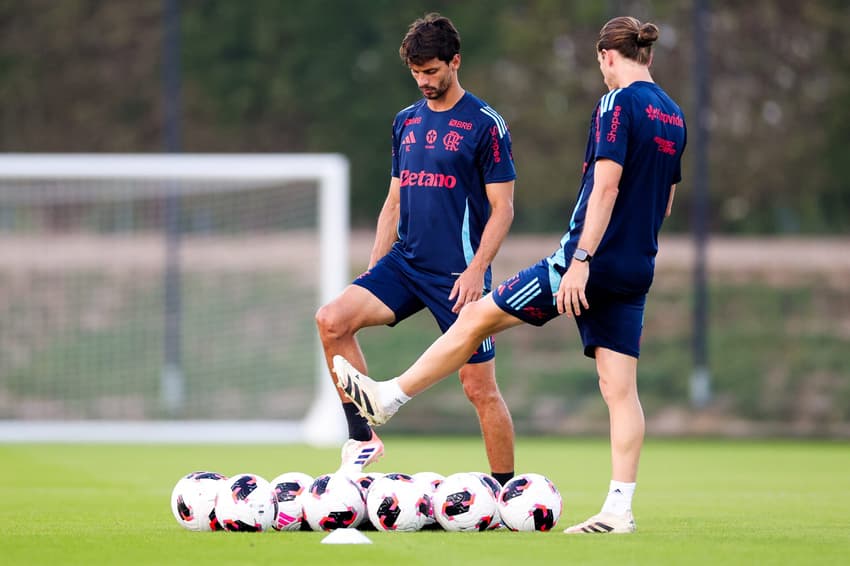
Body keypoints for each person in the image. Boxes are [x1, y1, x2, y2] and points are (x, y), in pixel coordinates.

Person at [333, 16, 686, 534]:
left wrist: (582, 261)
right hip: (637, 266)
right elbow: (667, 202)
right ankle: (618, 510)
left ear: (607, 57)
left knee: (476, 315)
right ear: (647, 55)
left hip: (584, 263)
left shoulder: (617, 103)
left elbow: (606, 188)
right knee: (620, 390)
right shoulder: (674, 115)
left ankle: (391, 396)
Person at [315, 13, 517, 485]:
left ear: (455, 62)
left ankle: (509, 491)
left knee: (479, 388)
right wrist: (373, 271)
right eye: (416, 73)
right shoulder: (405, 122)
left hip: (458, 276)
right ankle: (363, 439)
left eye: (431, 71)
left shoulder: (486, 124)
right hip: (405, 264)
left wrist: (476, 270)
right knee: (332, 320)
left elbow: (503, 208)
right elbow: (393, 201)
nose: (424, 81)